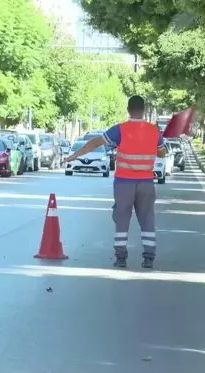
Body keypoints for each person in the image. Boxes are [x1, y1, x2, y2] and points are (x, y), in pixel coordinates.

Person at [64, 96, 166, 269]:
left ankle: (121, 257)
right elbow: (162, 153)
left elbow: (96, 142)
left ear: (128, 109)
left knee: (122, 219)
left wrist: (75, 155)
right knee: (147, 219)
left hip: (124, 183)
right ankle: (149, 257)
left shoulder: (120, 129)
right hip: (147, 183)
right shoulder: (154, 131)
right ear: (144, 110)